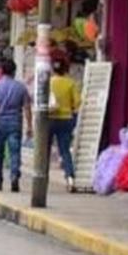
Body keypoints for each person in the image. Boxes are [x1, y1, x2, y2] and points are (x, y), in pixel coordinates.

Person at [0, 59, 32, 193]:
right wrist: (29, 127)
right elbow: (27, 108)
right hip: (15, 122)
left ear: (1, 71)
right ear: (14, 72)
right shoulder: (21, 87)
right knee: (14, 152)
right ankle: (14, 175)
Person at [48, 57, 82, 191]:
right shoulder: (70, 83)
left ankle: (42, 175)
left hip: (49, 119)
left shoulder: (48, 82)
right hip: (66, 119)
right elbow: (78, 102)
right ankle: (70, 178)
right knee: (65, 150)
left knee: (44, 149)